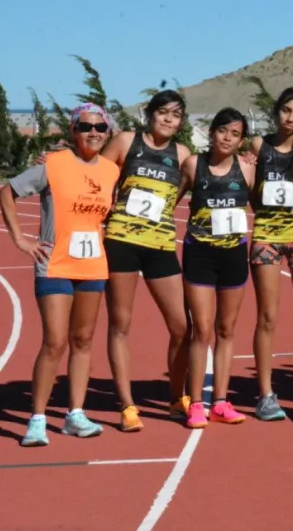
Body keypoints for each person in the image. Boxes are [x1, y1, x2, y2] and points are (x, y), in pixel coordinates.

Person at [0, 103, 121, 447]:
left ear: (107, 131)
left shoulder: (111, 171)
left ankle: (74, 414)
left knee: (83, 340)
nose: (93, 133)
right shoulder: (53, 165)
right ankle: (37, 419)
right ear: (73, 131)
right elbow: (6, 191)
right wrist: (20, 239)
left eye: (99, 127)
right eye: (85, 127)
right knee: (55, 341)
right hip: (54, 264)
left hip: (92, 264)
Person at [97, 90, 192, 432]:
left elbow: (198, 182)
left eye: (175, 115)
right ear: (149, 115)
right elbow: (95, 178)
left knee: (182, 326)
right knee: (120, 324)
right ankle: (127, 405)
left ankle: (174, 398)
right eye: (162, 112)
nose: (168, 119)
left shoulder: (182, 154)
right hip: (121, 241)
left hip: (161, 243)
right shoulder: (125, 141)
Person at [246, 87, 293, 423]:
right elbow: (250, 191)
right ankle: (266, 394)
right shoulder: (258, 146)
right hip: (266, 238)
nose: (291, 118)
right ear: (276, 111)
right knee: (267, 317)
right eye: (286, 111)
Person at [177, 108, 257, 428]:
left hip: (234, 256)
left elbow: (265, 204)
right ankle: (196, 402)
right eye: (222, 131)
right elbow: (170, 199)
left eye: (235, 134)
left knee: (226, 330)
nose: (227, 138)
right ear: (212, 133)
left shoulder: (247, 170)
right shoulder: (194, 165)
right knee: (202, 330)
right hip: (200, 255)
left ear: (241, 140)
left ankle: (221, 400)